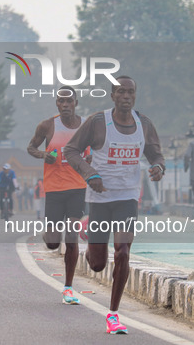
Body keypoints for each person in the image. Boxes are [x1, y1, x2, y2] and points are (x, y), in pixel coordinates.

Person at [64, 75, 164, 334]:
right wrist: (89, 174)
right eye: (121, 92)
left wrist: (158, 167)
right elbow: (71, 151)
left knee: (122, 252)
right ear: (112, 95)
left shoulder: (145, 124)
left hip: (128, 198)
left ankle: (113, 315)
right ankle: (91, 247)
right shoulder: (98, 122)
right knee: (97, 264)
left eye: (131, 92)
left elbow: (155, 153)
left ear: (135, 95)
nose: (126, 96)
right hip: (99, 199)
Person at [27, 86, 91, 305]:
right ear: (57, 104)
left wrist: (90, 162)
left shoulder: (86, 126)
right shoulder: (47, 125)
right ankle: (49, 236)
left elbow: (94, 150)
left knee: (71, 236)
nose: (65, 105)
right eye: (61, 102)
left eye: (69, 102)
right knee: (53, 242)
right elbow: (31, 147)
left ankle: (69, 288)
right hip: (54, 188)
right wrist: (44, 154)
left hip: (77, 187)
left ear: (75, 103)